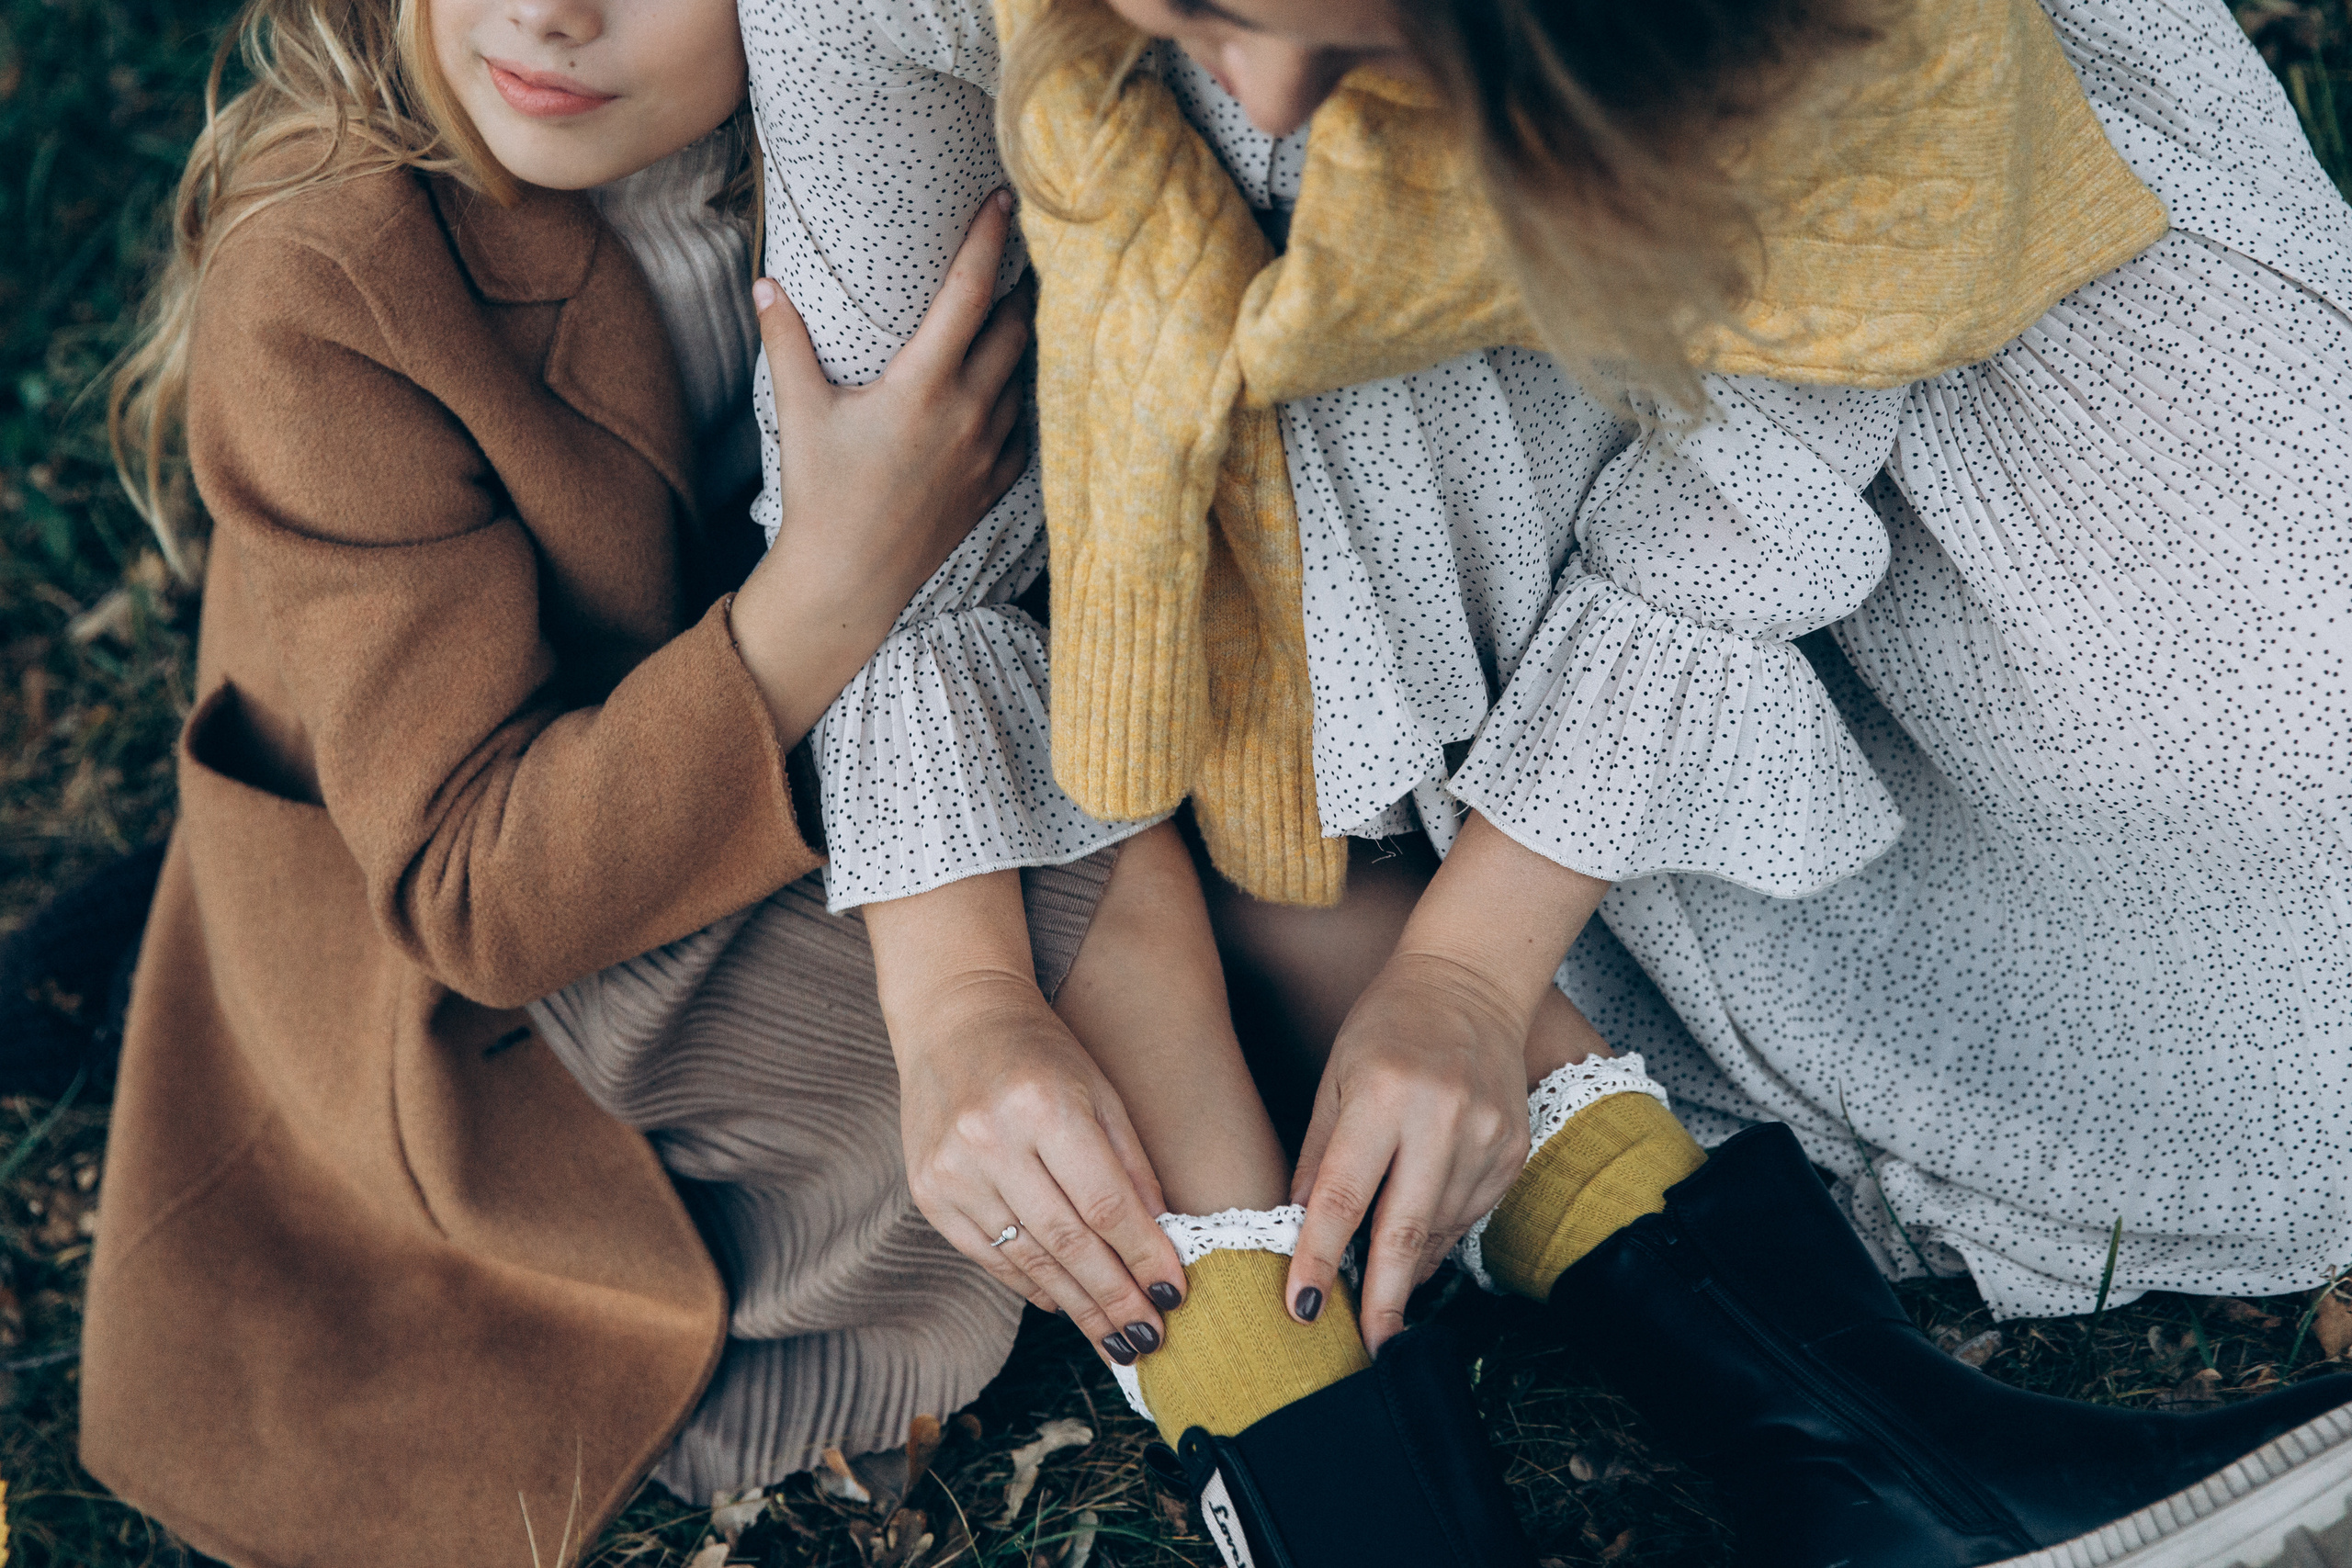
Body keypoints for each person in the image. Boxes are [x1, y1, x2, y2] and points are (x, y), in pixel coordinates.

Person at [744, 0, 2352, 1559]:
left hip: (1776, 338)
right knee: (1161, 691)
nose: (1281, 100)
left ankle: (1883, 1458)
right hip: (1295, 496)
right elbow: (884, 497)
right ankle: (1395, 1507)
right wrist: (953, 998)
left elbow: (1801, 395)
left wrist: (1469, 963)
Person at [81, 0, 1048, 1555]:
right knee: (1081, 946)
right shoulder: (332, 271)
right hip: (493, 956)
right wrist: (839, 580)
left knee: (1173, 850)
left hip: (721, 770)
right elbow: (479, 895)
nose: (551, 11)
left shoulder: (890, 122)